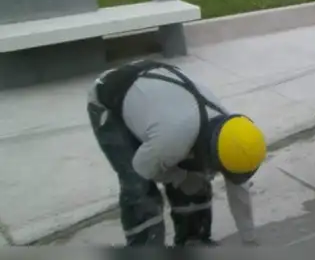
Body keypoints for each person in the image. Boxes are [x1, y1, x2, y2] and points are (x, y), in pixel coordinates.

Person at [86, 59, 266, 247]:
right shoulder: (172, 139)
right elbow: (141, 167)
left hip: (157, 102)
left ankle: (193, 243)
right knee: (139, 188)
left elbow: (238, 188)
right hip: (111, 100)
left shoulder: (233, 135)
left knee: (196, 176)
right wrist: (180, 177)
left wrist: (250, 239)